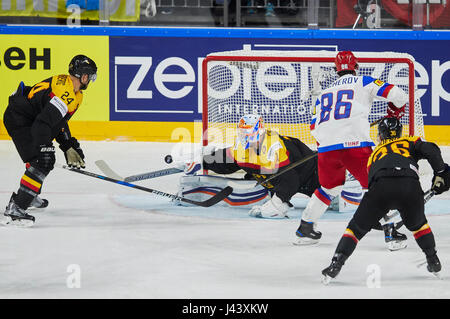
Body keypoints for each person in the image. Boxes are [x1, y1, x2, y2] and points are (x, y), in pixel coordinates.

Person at [295, 50, 409, 245]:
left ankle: (305, 228)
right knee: (377, 185)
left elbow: (313, 127)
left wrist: (326, 147)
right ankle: (390, 233)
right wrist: (394, 110)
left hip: (326, 149)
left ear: (335, 70)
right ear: (356, 67)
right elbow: (400, 95)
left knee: (328, 188)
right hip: (355, 146)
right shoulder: (363, 81)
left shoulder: (323, 93)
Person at [321, 117, 450, 283]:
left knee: (355, 229)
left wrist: (374, 218)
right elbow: (432, 150)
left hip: (380, 187)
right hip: (410, 185)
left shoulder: (373, 155)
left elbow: (377, 185)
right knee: (419, 225)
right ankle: (433, 260)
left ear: (380, 135)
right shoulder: (410, 140)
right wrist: (441, 172)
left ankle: (335, 264)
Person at [2, 55, 97, 227]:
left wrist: (68, 145)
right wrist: (46, 148)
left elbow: (57, 123)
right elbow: (42, 124)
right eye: (90, 76)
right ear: (83, 75)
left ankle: (29, 196)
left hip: (30, 118)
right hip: (19, 118)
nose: (90, 80)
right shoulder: (65, 93)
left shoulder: (75, 93)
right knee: (42, 160)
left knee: (41, 157)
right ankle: (16, 208)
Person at [193, 114, 320, 218]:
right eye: (242, 132)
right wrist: (202, 161)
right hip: (283, 180)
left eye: (248, 132)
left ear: (259, 131)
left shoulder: (274, 147)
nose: (245, 135)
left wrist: (278, 203)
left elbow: (291, 179)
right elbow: (226, 162)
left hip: (311, 175)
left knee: (329, 198)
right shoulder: (241, 146)